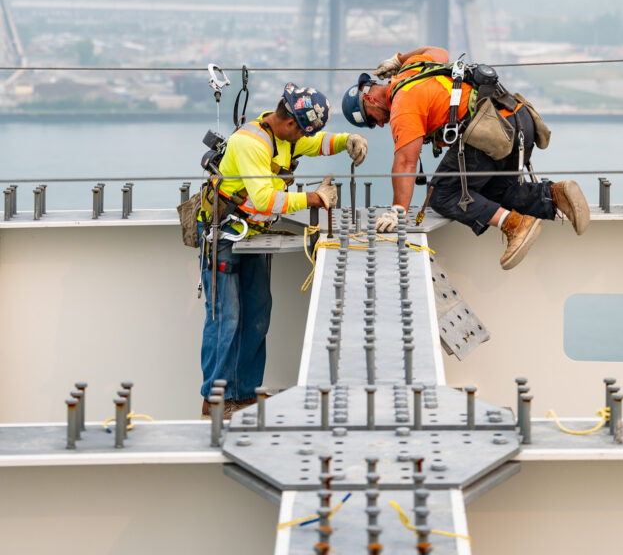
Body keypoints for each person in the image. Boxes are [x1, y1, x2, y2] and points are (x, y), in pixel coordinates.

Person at [199, 82, 367, 418]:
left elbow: (317, 142)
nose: (302, 138)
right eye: (300, 131)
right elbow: (265, 199)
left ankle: (243, 395)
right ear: (290, 122)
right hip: (224, 236)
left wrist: (346, 141)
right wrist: (314, 199)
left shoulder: (284, 133)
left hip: (251, 233)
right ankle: (215, 401)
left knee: (258, 315)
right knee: (226, 318)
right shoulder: (250, 142)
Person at [341, 46, 589, 269]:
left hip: (490, 132)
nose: (381, 124)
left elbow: (406, 161)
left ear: (370, 99)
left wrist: (398, 211)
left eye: (373, 119)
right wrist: (398, 59)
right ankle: (555, 195)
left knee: (444, 195)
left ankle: (516, 225)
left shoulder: (402, 105)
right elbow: (438, 51)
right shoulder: (413, 67)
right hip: (518, 120)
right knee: (489, 194)